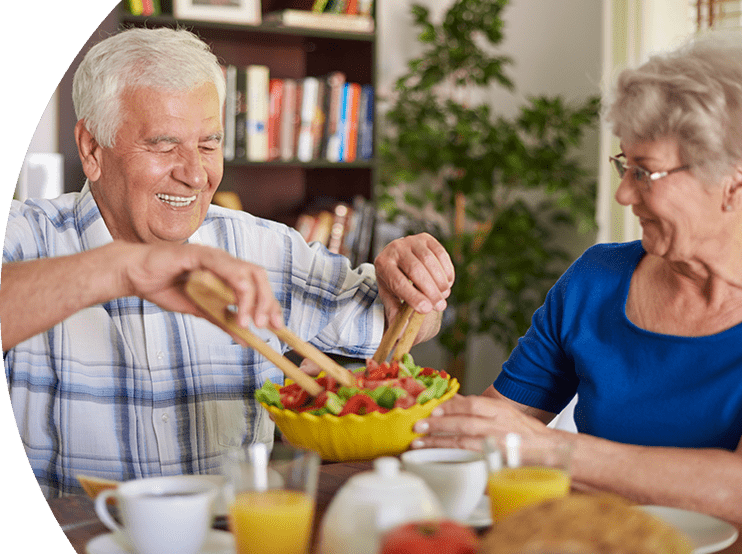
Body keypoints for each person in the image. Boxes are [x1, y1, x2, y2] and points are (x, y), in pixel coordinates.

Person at [1, 27, 454, 498]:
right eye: (163, 144)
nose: (195, 174)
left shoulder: (262, 247)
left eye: (209, 143)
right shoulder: (23, 236)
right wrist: (122, 268)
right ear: (92, 148)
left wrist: (414, 281)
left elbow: (400, 322)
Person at [412, 31, 742, 527]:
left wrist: (550, 450)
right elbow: (487, 436)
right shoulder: (596, 279)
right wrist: (390, 350)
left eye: (644, 172)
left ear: (735, 183)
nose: (622, 196)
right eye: (624, 165)